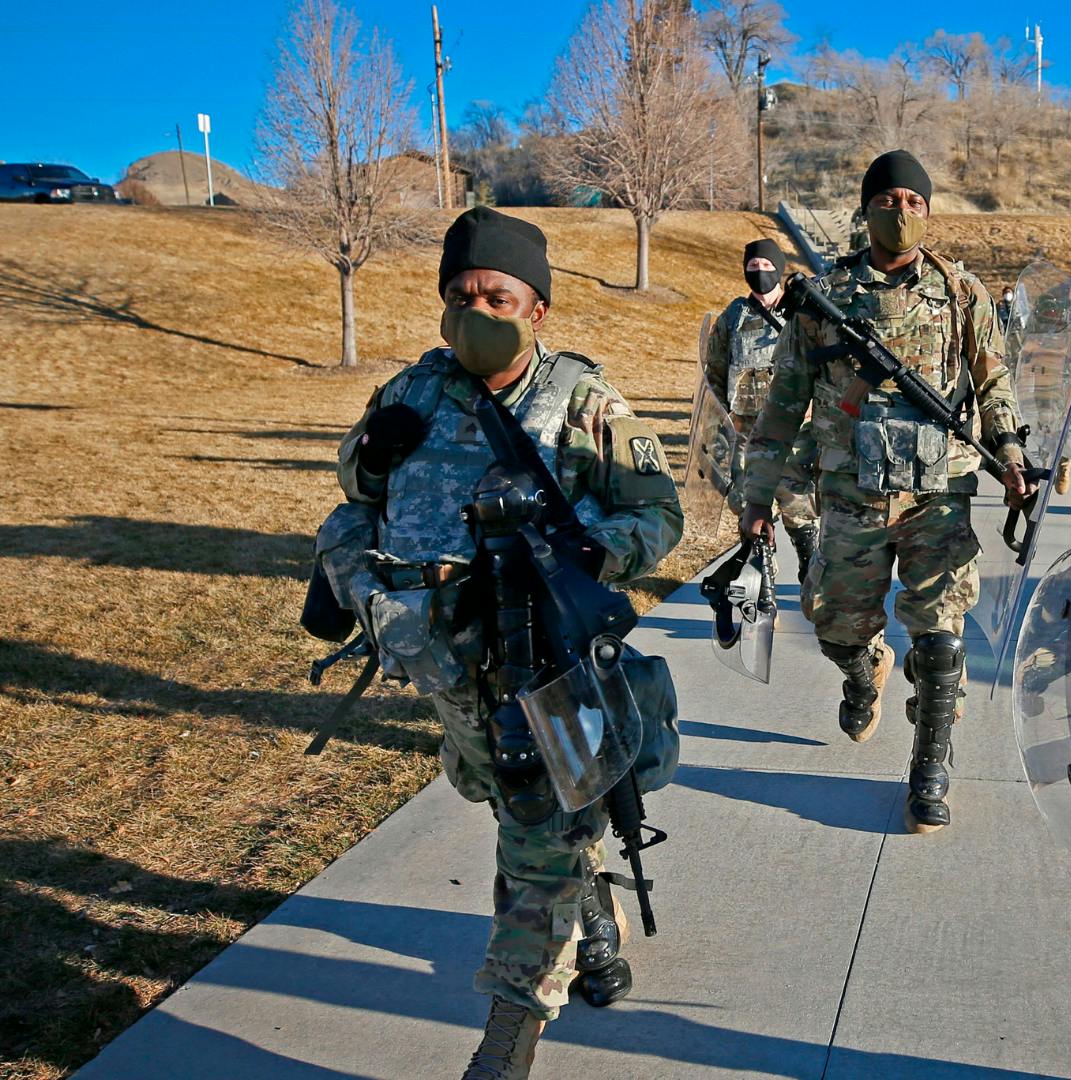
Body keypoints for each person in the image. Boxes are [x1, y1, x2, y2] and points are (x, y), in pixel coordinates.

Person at [317, 206, 683, 1080]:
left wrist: (577, 554)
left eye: (498, 297)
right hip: (443, 661)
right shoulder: (411, 392)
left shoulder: (582, 401)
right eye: (462, 294)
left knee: (536, 829)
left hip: (542, 661)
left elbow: (658, 513)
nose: (477, 309)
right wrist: (372, 461)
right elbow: (354, 491)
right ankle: (588, 905)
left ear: (537, 309)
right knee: (504, 797)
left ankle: (507, 1043)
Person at [738, 149, 1030, 833]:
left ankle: (929, 771)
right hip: (851, 495)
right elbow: (784, 403)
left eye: (914, 201)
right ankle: (865, 670)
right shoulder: (825, 297)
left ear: (929, 211)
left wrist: (1011, 454)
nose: (901, 211)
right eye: (887, 200)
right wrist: (756, 497)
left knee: (941, 635)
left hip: (938, 492)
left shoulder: (961, 293)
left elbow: (993, 384)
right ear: (865, 209)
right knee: (835, 626)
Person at [702, 238, 820, 572]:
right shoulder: (733, 317)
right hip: (746, 432)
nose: (759, 271)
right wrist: (716, 424)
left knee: (798, 504)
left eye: (767, 265)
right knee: (748, 505)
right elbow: (715, 373)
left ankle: (809, 568)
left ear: (779, 269)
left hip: (796, 429)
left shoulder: (802, 313)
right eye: (753, 266)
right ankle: (761, 574)